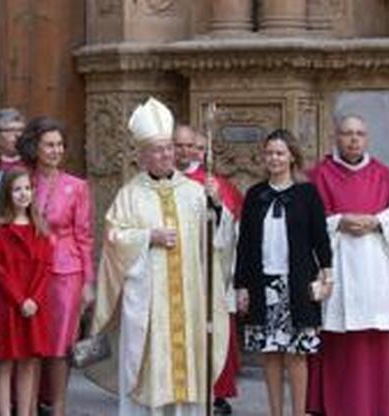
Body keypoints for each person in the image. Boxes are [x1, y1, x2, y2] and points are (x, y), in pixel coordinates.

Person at [88, 97, 229, 416]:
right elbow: (113, 238)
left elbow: (217, 242)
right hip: (149, 303)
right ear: (142, 155)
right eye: (158, 150)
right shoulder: (130, 194)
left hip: (189, 301)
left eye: (169, 148)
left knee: (188, 369)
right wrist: (147, 237)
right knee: (150, 368)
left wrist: (217, 207)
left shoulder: (195, 191)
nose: (166, 155)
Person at [235, 129, 333, 416]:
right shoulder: (255, 195)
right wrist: (242, 286)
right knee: (271, 353)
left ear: (291, 157)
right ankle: (275, 412)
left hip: (297, 283)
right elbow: (244, 245)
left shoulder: (307, 193)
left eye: (279, 153)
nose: (274, 158)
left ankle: (298, 413)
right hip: (262, 283)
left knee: (296, 354)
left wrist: (327, 274)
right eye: (269, 153)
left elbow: (321, 238)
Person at [306, 115, 389, 416]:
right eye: (347, 133)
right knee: (335, 336)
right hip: (337, 270)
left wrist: (379, 221)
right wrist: (338, 221)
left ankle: (379, 405)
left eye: (359, 133)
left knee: (374, 337)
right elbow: (304, 221)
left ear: (367, 138)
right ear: (336, 136)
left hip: (375, 273)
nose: (354, 139)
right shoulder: (317, 176)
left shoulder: (386, 176)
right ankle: (330, 406)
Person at [17, 116, 94, 416]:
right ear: (35, 147)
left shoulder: (77, 186)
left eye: (60, 145)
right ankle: (30, 405)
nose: (55, 150)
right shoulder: (23, 181)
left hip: (66, 272)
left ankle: (59, 407)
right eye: (49, 145)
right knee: (31, 342)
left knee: (62, 345)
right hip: (28, 270)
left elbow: (84, 236)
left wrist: (88, 281)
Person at [173, 125, 243, 415]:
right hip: (173, 266)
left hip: (205, 268)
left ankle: (216, 392)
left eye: (190, 146)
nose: (185, 151)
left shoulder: (212, 182)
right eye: (178, 145)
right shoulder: (159, 180)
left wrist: (216, 201)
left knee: (211, 327)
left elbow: (230, 228)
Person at [0, 169, 52, 416]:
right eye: (17, 189)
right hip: (8, 305)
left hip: (34, 306)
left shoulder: (40, 228)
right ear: (7, 194)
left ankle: (26, 411)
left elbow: (45, 267)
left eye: (27, 188)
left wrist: (34, 299)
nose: (23, 194)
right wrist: (20, 299)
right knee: (4, 363)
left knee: (29, 362)